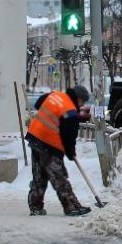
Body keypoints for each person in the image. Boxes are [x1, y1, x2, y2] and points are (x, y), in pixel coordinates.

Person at [25, 85, 92, 218]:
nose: (82, 104)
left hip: (34, 137)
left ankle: (36, 206)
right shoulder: (71, 113)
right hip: (49, 144)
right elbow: (68, 138)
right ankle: (72, 207)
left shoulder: (56, 95)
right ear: (77, 98)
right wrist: (70, 153)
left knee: (40, 175)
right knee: (59, 176)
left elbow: (39, 104)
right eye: (82, 101)